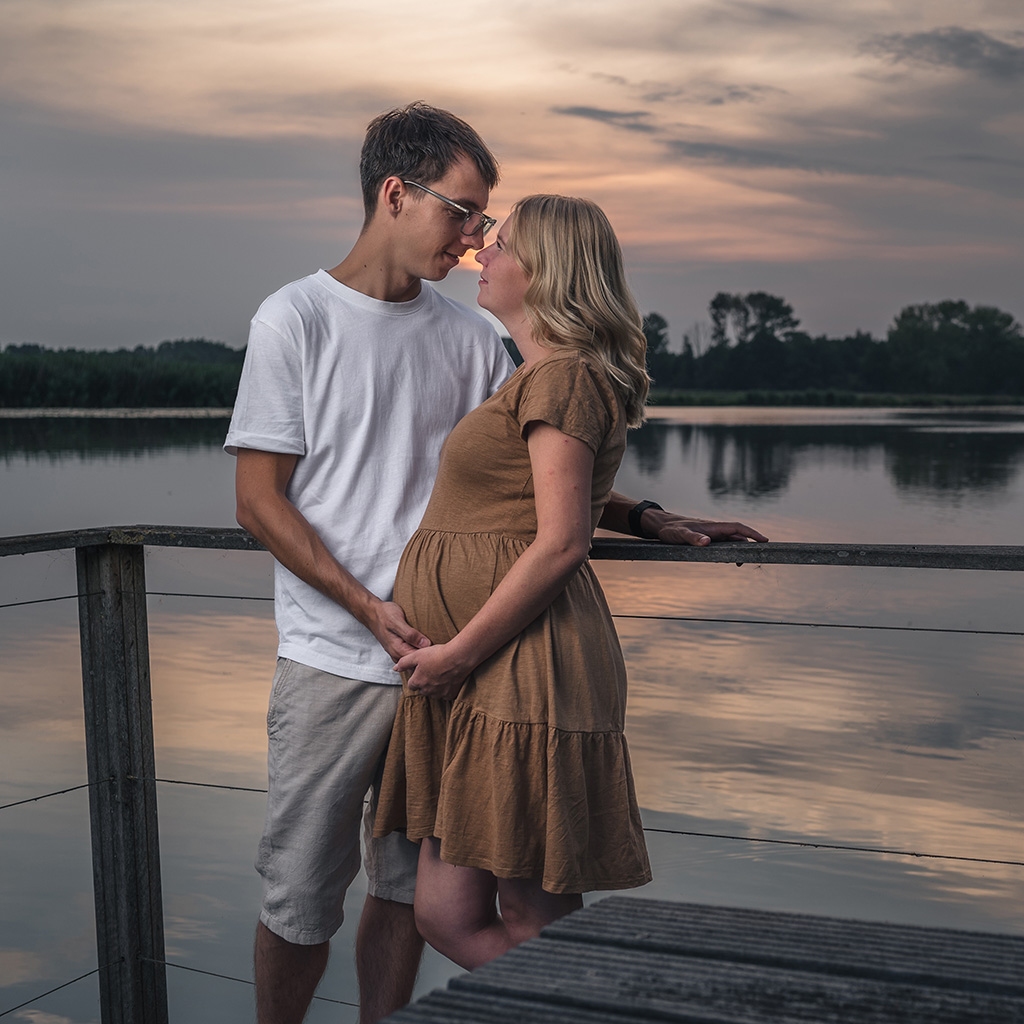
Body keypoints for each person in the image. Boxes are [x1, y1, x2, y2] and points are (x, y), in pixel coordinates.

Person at [226, 103, 767, 1024]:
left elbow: (533, 476)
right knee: (299, 897)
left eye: (488, 222)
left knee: (407, 895)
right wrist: (365, 606)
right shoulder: (296, 320)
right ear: (395, 194)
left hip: (457, 672)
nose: (476, 239)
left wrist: (640, 514)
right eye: (463, 210)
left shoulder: (475, 337)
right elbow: (258, 502)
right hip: (336, 658)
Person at [373, 194, 656, 968]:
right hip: (482, 671)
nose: (480, 255)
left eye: (497, 244)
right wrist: (652, 519)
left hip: (522, 668)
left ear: (545, 270)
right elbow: (545, 496)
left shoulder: (562, 376)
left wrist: (457, 654)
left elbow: (561, 541)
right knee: (445, 912)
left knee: (530, 911)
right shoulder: (538, 376)